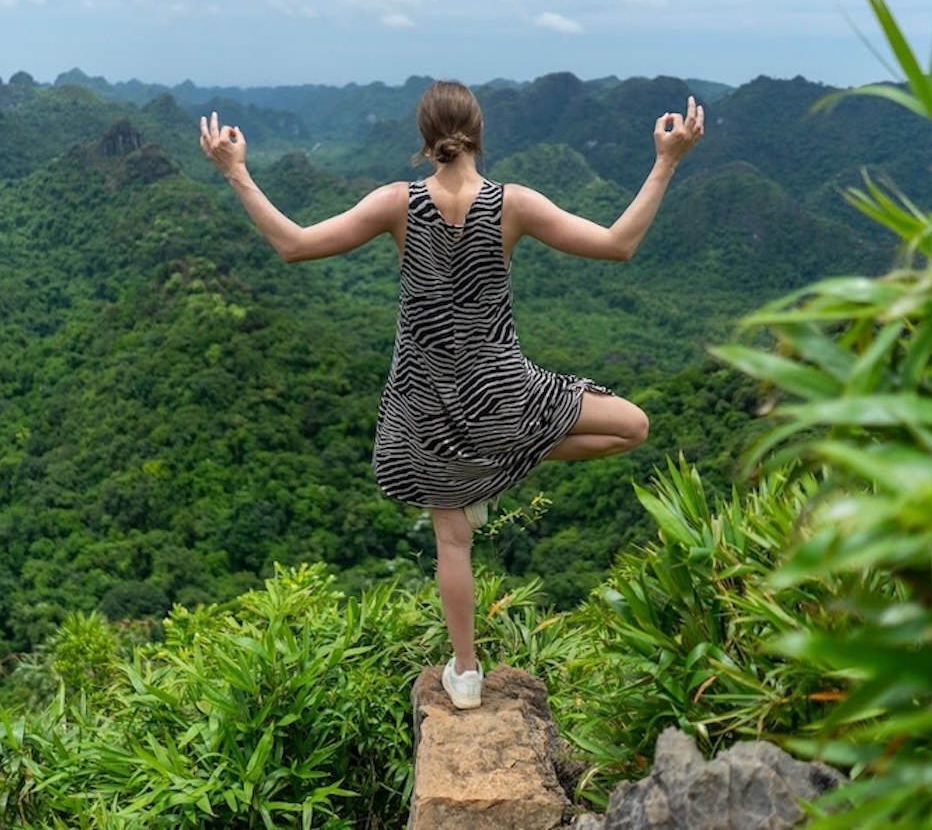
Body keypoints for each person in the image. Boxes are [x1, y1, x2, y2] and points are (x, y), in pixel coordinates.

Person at [199, 80, 703, 709]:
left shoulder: (396, 204)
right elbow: (617, 244)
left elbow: (294, 245)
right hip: (506, 398)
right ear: (479, 132)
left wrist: (236, 172)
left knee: (452, 542)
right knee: (633, 425)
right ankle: (510, 452)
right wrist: (665, 162)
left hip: (427, 408)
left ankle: (465, 673)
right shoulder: (512, 203)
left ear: (423, 136)